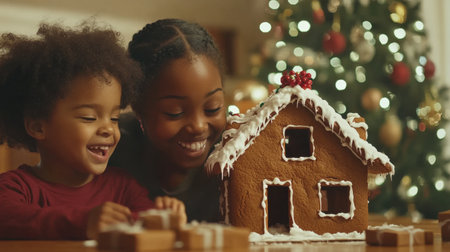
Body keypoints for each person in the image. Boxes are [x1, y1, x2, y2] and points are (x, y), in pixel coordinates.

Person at [0, 21, 185, 240]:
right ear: (38, 126)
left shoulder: (123, 187)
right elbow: (8, 218)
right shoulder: (15, 187)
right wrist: (82, 222)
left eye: (114, 118)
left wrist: (164, 219)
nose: (108, 128)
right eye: (89, 117)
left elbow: (143, 223)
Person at [109, 18, 227, 222]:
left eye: (212, 108)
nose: (198, 126)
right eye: (175, 112)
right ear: (138, 108)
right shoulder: (112, 151)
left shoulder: (234, 154)